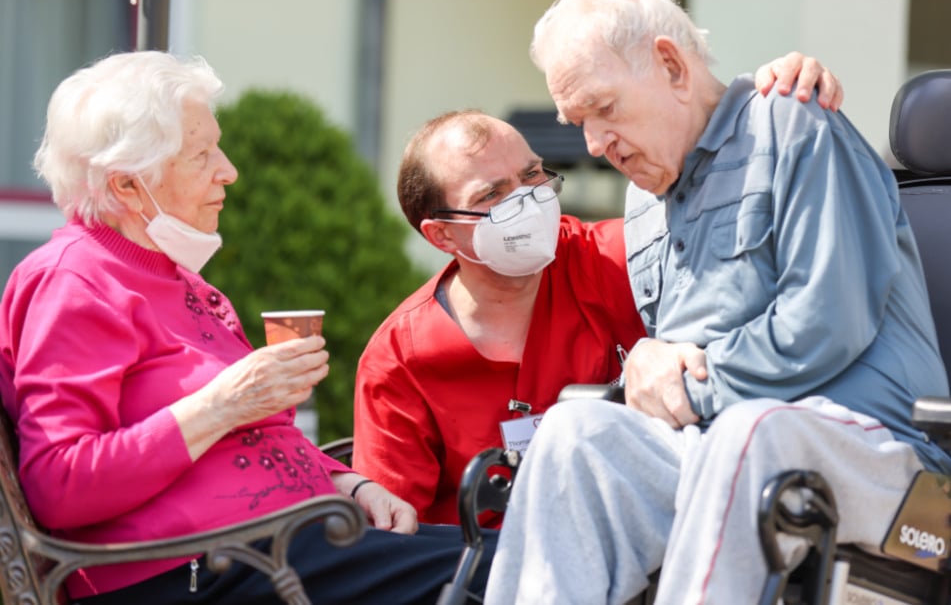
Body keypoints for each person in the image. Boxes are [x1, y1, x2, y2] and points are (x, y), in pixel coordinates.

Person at [483, 0, 951, 603]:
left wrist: (684, 386)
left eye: (604, 108)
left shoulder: (793, 123)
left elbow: (827, 322)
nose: (594, 143)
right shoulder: (646, 202)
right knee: (573, 437)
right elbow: (667, 366)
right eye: (578, 120)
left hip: (900, 478)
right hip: (721, 456)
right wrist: (641, 373)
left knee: (749, 431)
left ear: (671, 65)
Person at [0, 50, 495, 604]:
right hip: (201, 573)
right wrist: (218, 405)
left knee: (518, 551)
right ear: (127, 187)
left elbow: (255, 438)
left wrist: (345, 483)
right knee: (511, 569)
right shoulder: (71, 281)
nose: (229, 170)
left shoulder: (182, 280)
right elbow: (59, 485)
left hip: (282, 548)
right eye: (202, 154)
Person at [353, 56, 844, 526]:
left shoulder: (617, 259)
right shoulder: (399, 361)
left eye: (531, 176)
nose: (526, 201)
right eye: (491, 195)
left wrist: (772, 99)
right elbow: (394, 531)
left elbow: (750, 244)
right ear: (441, 235)